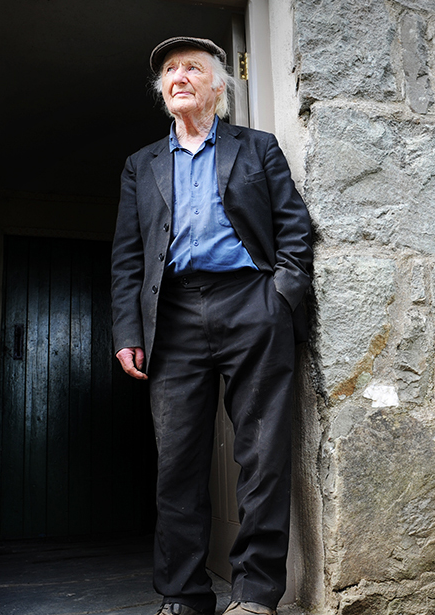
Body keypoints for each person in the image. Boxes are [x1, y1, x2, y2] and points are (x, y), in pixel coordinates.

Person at [110, 36, 312, 615]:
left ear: (217, 87)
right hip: (172, 316)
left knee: (262, 453)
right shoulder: (141, 165)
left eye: (192, 68)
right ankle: (183, 594)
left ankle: (254, 593)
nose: (178, 76)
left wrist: (281, 295)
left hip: (252, 304)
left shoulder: (258, 149)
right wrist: (128, 333)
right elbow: (128, 256)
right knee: (178, 461)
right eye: (170, 70)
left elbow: (293, 228)